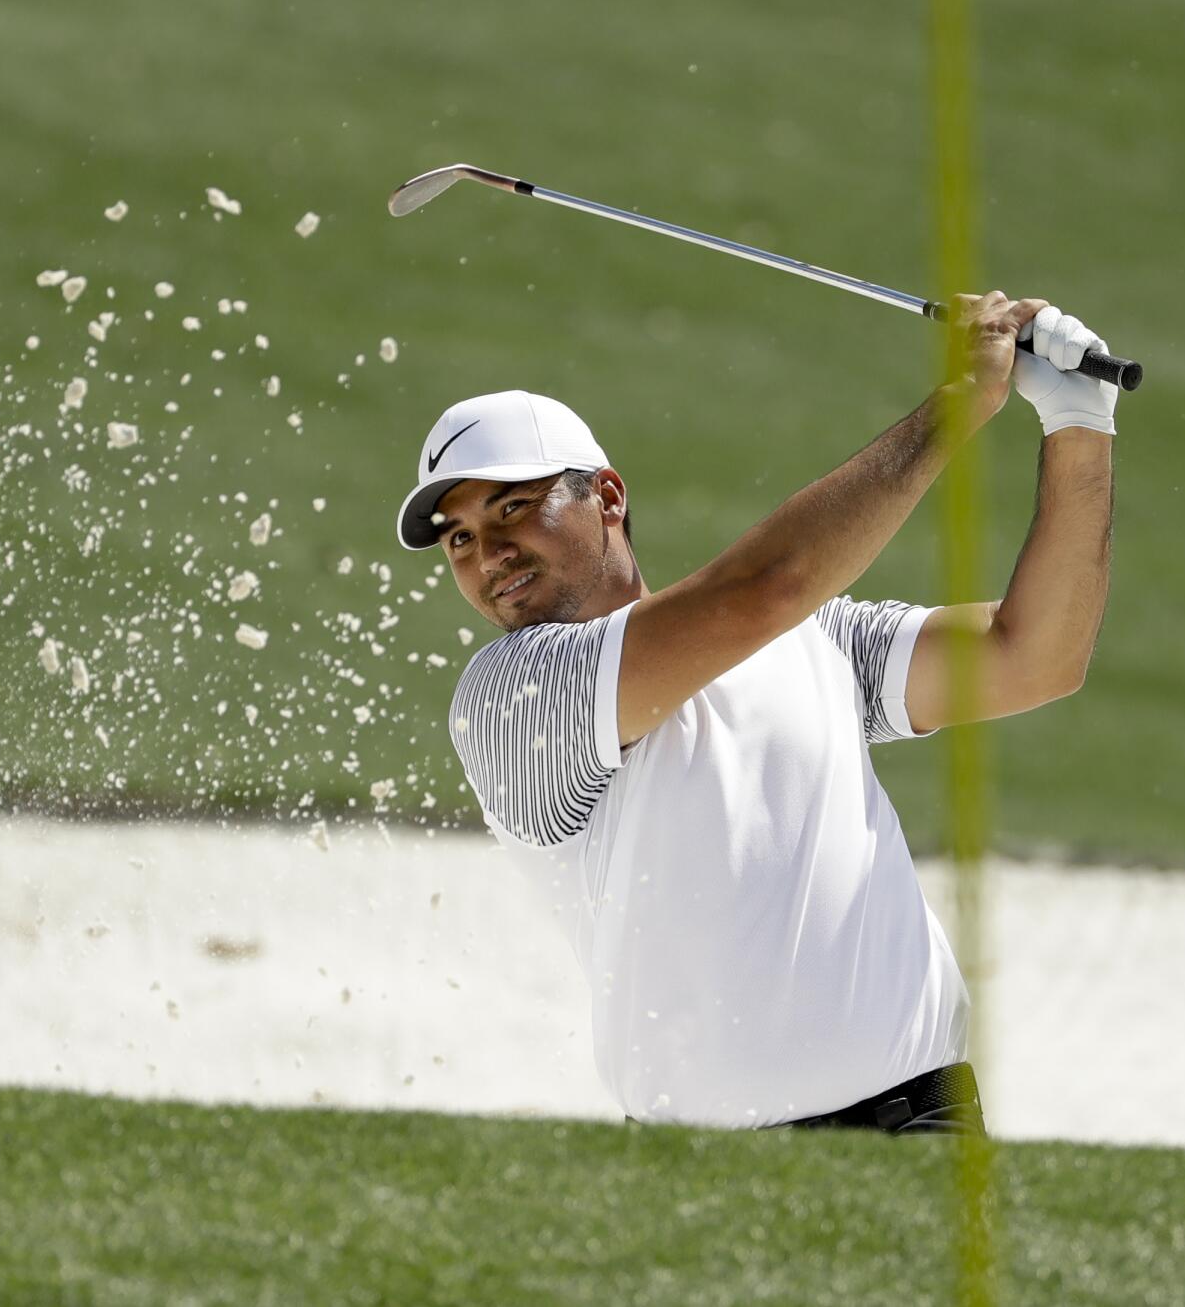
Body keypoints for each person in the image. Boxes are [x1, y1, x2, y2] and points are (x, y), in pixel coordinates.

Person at [394, 294, 1117, 1133]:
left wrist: (1077, 421)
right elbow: (764, 589)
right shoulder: (510, 701)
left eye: (513, 507)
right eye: (461, 539)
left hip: (919, 1130)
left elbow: (1037, 655)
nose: (489, 555)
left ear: (609, 497)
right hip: (706, 1186)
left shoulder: (816, 641)